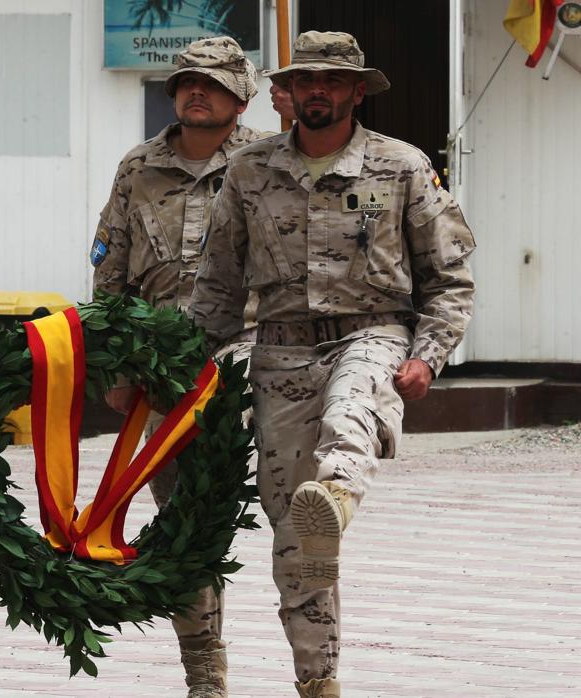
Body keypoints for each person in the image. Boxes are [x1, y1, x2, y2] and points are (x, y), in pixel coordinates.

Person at [190, 32, 475, 698]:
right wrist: (187, 367)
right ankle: (318, 682)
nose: (318, 90)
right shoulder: (250, 172)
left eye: (333, 81)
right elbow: (218, 285)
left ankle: (340, 490)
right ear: (288, 93)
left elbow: (450, 276)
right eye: (306, 80)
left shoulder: (400, 167)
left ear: (354, 91)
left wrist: (428, 355)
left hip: (372, 333)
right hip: (279, 352)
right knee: (298, 543)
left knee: (352, 412)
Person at [91, 36, 277, 698]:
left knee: (213, 469)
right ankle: (205, 671)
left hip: (249, 348)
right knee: (181, 521)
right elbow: (110, 271)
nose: (197, 91)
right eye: (187, 81)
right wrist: (115, 367)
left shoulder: (268, 162)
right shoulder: (138, 167)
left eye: (215, 83)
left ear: (241, 95)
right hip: (163, 363)